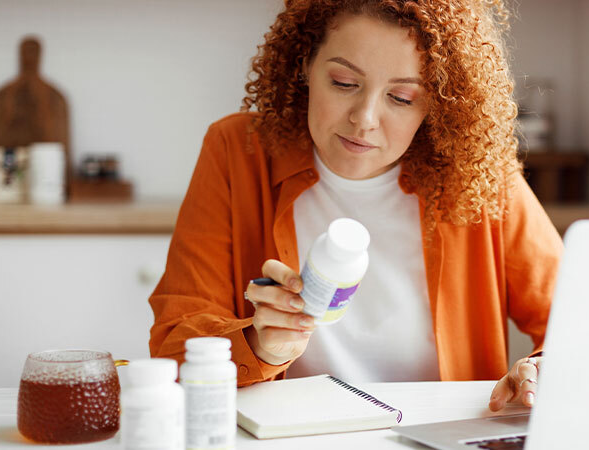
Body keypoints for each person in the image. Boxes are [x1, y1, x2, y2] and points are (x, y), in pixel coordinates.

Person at [148, 0, 563, 412]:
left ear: (438, 103)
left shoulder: (476, 170)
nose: (364, 118)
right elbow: (176, 345)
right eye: (345, 83)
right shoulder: (238, 152)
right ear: (306, 64)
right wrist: (261, 346)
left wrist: (545, 370)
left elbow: (586, 325)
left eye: (401, 97)